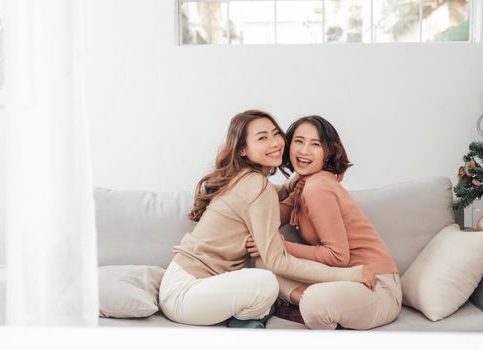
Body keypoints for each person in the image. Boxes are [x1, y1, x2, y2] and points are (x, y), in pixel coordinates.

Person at [158, 110, 375, 328]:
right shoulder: (256, 186)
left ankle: (260, 310)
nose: (275, 143)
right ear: (243, 149)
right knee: (265, 281)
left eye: (275, 134)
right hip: (187, 292)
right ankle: (263, 312)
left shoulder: (248, 180)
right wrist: (349, 276)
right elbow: (277, 261)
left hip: (185, 286)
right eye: (262, 138)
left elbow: (272, 194)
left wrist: (302, 174)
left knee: (261, 269)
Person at [247, 115, 402, 330]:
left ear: (327, 152)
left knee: (315, 302)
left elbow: (338, 257)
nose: (304, 151)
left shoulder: (317, 188)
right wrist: (253, 173)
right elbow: (266, 219)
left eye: (315, 145)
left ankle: (302, 303)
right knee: (262, 265)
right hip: (340, 282)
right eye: (299, 141)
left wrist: (280, 246)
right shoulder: (304, 185)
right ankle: (305, 302)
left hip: (375, 286)